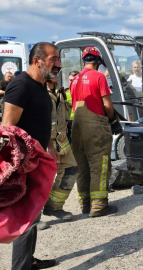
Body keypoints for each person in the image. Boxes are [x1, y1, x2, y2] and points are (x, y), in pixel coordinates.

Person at [1, 42, 61, 270]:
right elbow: (7, 127)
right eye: (53, 59)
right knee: (26, 216)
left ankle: (29, 259)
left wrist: (49, 145)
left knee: (34, 212)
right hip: (24, 163)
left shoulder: (40, 86)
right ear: (37, 61)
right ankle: (21, 267)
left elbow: (38, 121)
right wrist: (15, 168)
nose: (58, 65)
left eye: (58, 60)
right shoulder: (21, 85)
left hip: (37, 158)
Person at [70, 47, 122, 217]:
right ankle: (99, 206)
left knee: (82, 166)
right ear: (98, 61)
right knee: (99, 165)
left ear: (83, 60)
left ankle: (85, 205)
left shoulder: (75, 79)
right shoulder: (99, 77)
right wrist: (113, 120)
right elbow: (107, 104)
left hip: (77, 127)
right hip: (95, 125)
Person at [42, 77, 77, 221]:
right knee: (41, 180)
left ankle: (54, 207)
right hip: (43, 142)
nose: (56, 68)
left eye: (58, 66)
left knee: (70, 169)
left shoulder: (61, 90)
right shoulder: (37, 90)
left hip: (61, 141)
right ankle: (33, 220)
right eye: (52, 65)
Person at [65, 71, 79, 143]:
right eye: (71, 80)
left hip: (80, 122)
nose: (72, 82)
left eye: (75, 80)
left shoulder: (83, 91)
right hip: (68, 123)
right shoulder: (65, 92)